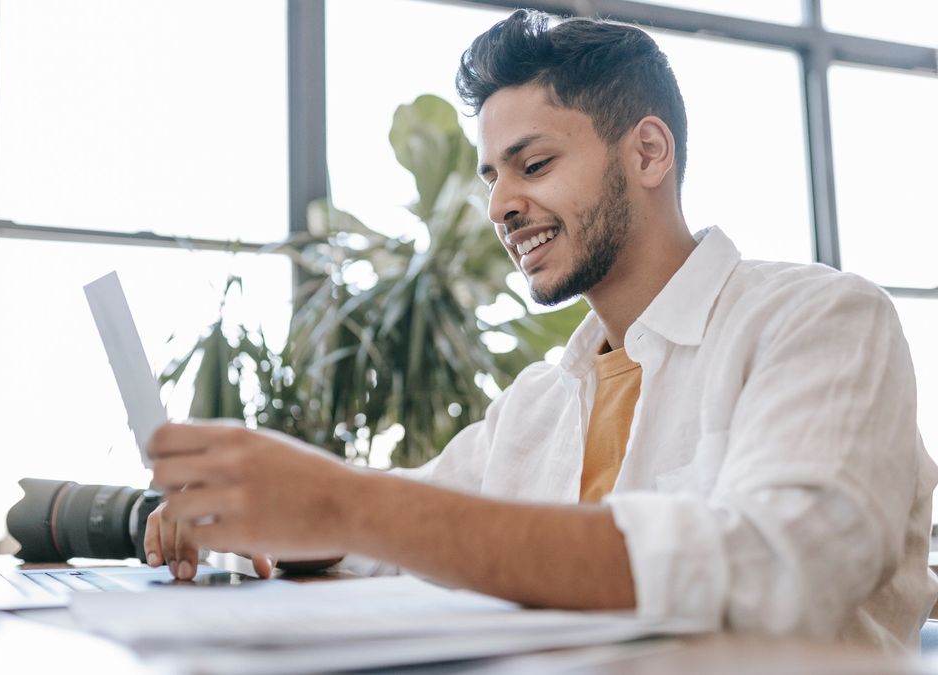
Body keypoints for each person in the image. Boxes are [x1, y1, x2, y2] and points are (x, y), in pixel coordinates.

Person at [142, 10, 938, 648]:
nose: (500, 206)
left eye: (533, 164)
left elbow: (778, 564)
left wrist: (350, 502)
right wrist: (270, 512)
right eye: (493, 177)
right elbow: (408, 518)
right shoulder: (539, 401)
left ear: (649, 152)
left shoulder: (820, 321)